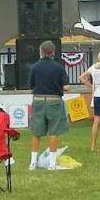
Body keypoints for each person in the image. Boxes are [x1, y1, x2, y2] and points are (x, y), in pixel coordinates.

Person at [27, 41, 74, 170]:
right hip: (54, 100)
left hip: (38, 100)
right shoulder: (58, 67)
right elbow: (66, 87)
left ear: (41, 51)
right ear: (53, 52)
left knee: (36, 132)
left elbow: (31, 88)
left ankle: (33, 163)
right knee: (54, 131)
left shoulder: (34, 67)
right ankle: (52, 164)